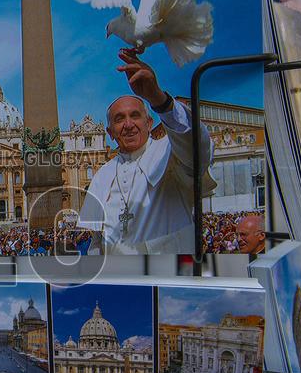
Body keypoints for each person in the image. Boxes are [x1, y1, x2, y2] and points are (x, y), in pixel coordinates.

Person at [78, 48, 214, 254]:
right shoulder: (102, 174)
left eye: (135, 116)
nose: (129, 124)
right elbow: (97, 242)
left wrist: (159, 100)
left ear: (149, 122)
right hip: (118, 279)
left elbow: (198, 147)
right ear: (110, 133)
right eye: (119, 119)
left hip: (170, 275)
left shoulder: (170, 151)